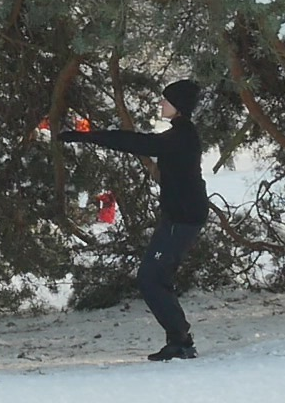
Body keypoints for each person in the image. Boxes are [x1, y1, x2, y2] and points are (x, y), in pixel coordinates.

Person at [58, 78, 208, 361]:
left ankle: (181, 341)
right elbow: (141, 143)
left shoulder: (182, 135)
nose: (161, 103)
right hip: (178, 216)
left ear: (179, 105)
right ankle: (179, 340)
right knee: (157, 277)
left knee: (150, 278)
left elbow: (137, 142)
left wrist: (87, 136)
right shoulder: (179, 133)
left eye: (166, 100)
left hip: (183, 219)